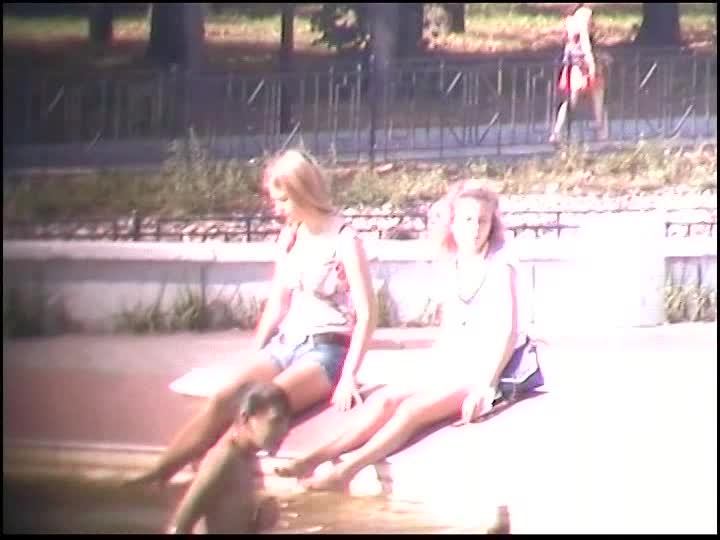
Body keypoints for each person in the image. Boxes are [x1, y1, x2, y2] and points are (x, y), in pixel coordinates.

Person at [129, 149, 378, 487]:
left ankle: (208, 485)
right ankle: (159, 474)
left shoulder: (345, 239)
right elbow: (277, 304)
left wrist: (349, 375)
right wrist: (255, 354)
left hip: (325, 352)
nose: (277, 208)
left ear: (303, 192)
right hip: (285, 344)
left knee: (261, 406)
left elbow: (367, 313)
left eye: (283, 199)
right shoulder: (291, 236)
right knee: (225, 397)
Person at [275, 181, 529, 491]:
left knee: (411, 410)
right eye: (467, 219)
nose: (475, 229)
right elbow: (450, 326)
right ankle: (315, 458)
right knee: (386, 401)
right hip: (451, 362)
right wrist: (433, 367)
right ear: (453, 223)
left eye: (482, 221)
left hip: (483, 371)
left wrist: (485, 388)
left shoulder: (501, 265)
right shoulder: (454, 262)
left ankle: (346, 472)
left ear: (492, 224)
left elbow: (508, 331)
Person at [166, 382, 292, 534]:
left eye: (287, 422)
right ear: (246, 418)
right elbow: (180, 524)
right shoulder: (224, 460)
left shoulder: (248, 460)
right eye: (276, 421)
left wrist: (259, 522)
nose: (285, 431)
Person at [549, 3, 608, 143]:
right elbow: (585, 39)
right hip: (585, 62)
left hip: (573, 62)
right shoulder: (584, 14)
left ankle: (557, 132)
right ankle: (601, 132)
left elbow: (569, 42)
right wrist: (591, 60)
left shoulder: (569, 18)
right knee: (598, 97)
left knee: (571, 99)